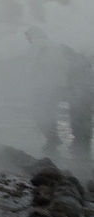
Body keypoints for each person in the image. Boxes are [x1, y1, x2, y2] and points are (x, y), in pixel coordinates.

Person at [25, 26, 93, 155]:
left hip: (55, 88)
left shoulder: (39, 45)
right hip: (70, 90)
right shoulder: (68, 56)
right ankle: (80, 152)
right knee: (79, 122)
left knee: (44, 113)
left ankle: (55, 141)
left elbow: (32, 68)